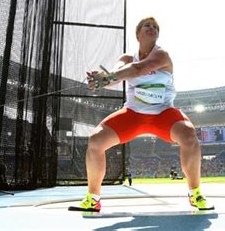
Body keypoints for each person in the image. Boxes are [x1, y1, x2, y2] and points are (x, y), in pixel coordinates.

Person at [79, 17, 214, 212]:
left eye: (155, 27)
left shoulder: (162, 55)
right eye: (147, 26)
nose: (152, 28)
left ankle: (195, 194)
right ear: (138, 34)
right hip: (133, 114)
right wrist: (100, 81)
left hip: (163, 113)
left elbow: (139, 69)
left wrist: (108, 77)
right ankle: (93, 198)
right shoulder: (127, 58)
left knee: (189, 136)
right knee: (95, 141)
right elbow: (118, 74)